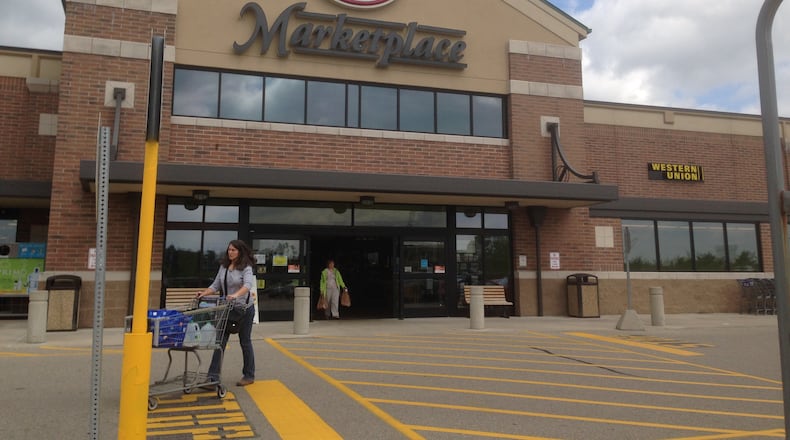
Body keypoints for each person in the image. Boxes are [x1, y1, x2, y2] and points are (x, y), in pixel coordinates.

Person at [196, 239, 256, 386]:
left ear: (240, 252)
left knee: (245, 341)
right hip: (227, 309)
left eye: (233, 250)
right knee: (220, 342)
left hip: (244, 310)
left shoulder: (246, 267)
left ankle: (249, 375)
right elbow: (215, 285)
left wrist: (236, 295)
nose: (230, 252)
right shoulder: (224, 267)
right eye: (229, 250)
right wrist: (204, 293)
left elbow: (248, 285)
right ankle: (212, 377)